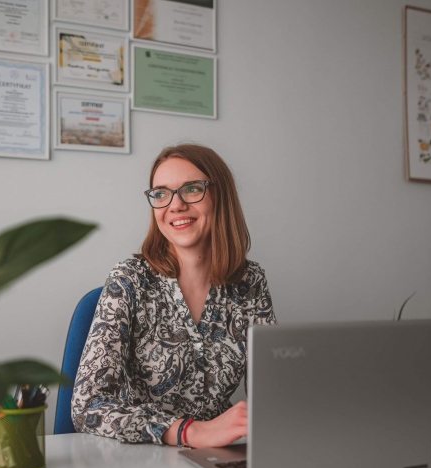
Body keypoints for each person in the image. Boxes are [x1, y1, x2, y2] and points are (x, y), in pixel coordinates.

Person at [71, 144, 277, 448]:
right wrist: (189, 432)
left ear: (221, 196)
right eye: (161, 194)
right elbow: (87, 407)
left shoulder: (250, 282)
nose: (175, 205)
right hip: (142, 457)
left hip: (219, 454)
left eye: (192, 189)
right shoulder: (130, 280)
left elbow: (272, 393)